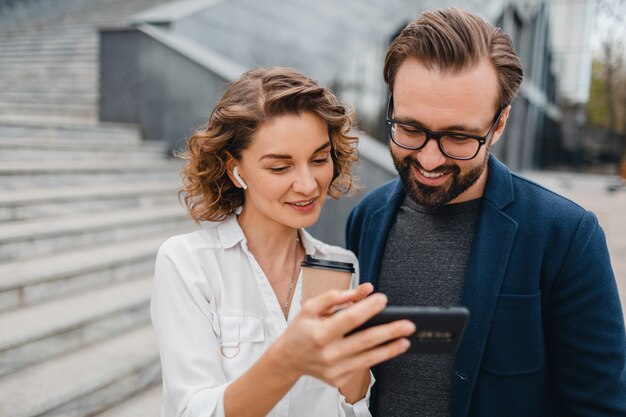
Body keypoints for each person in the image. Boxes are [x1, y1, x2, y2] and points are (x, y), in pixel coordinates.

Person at [346, 7, 626, 417]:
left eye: (458, 137)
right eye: (410, 129)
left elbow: (601, 407)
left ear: (499, 124)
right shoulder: (366, 217)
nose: (428, 157)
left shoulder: (565, 235)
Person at [151, 67, 416, 417]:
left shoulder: (341, 265)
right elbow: (194, 410)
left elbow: (353, 407)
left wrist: (354, 364)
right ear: (235, 170)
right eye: (280, 167)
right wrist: (288, 359)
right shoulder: (187, 263)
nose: (308, 184)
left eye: (320, 159)